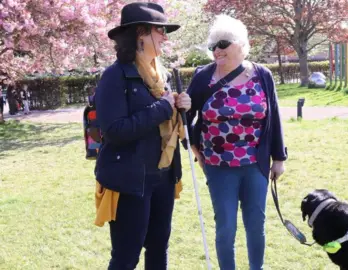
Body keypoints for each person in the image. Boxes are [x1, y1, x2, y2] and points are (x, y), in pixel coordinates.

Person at [185, 14, 288, 270]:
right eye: (212, 46)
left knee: (256, 224)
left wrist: (279, 158)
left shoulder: (262, 75)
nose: (216, 51)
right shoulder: (203, 77)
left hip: (256, 164)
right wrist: (197, 151)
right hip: (218, 165)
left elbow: (273, 116)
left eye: (222, 44)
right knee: (226, 226)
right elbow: (184, 121)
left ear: (241, 43)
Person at [94, 3, 190, 269]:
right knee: (126, 256)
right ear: (140, 34)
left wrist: (182, 108)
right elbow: (114, 131)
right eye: (160, 30)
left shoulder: (162, 76)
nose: (165, 37)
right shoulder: (115, 76)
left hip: (163, 176)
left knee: (159, 248)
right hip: (130, 181)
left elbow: (174, 126)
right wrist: (163, 108)